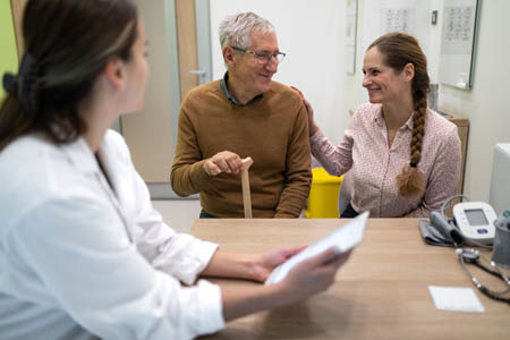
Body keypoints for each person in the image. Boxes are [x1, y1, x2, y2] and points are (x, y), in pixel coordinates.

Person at [0, 1, 351, 339]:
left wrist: (256, 264)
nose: (273, 65)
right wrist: (281, 293)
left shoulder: (109, 147)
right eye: (145, 53)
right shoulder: (49, 189)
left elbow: (155, 241)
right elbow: (149, 313)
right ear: (116, 72)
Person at [297, 32, 461, 218]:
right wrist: (311, 126)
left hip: (406, 234)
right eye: (365, 73)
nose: (365, 82)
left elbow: (435, 211)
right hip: (355, 220)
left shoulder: (444, 136)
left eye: (375, 72)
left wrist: (381, 234)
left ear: (408, 72)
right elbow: (337, 165)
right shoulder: (363, 116)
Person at [170, 12, 312, 218]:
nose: (274, 66)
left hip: (276, 219)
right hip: (217, 218)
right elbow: (179, 183)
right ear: (230, 56)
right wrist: (207, 168)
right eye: (263, 55)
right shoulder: (196, 104)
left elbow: (299, 178)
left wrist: (280, 226)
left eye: (276, 55)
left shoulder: (290, 103)